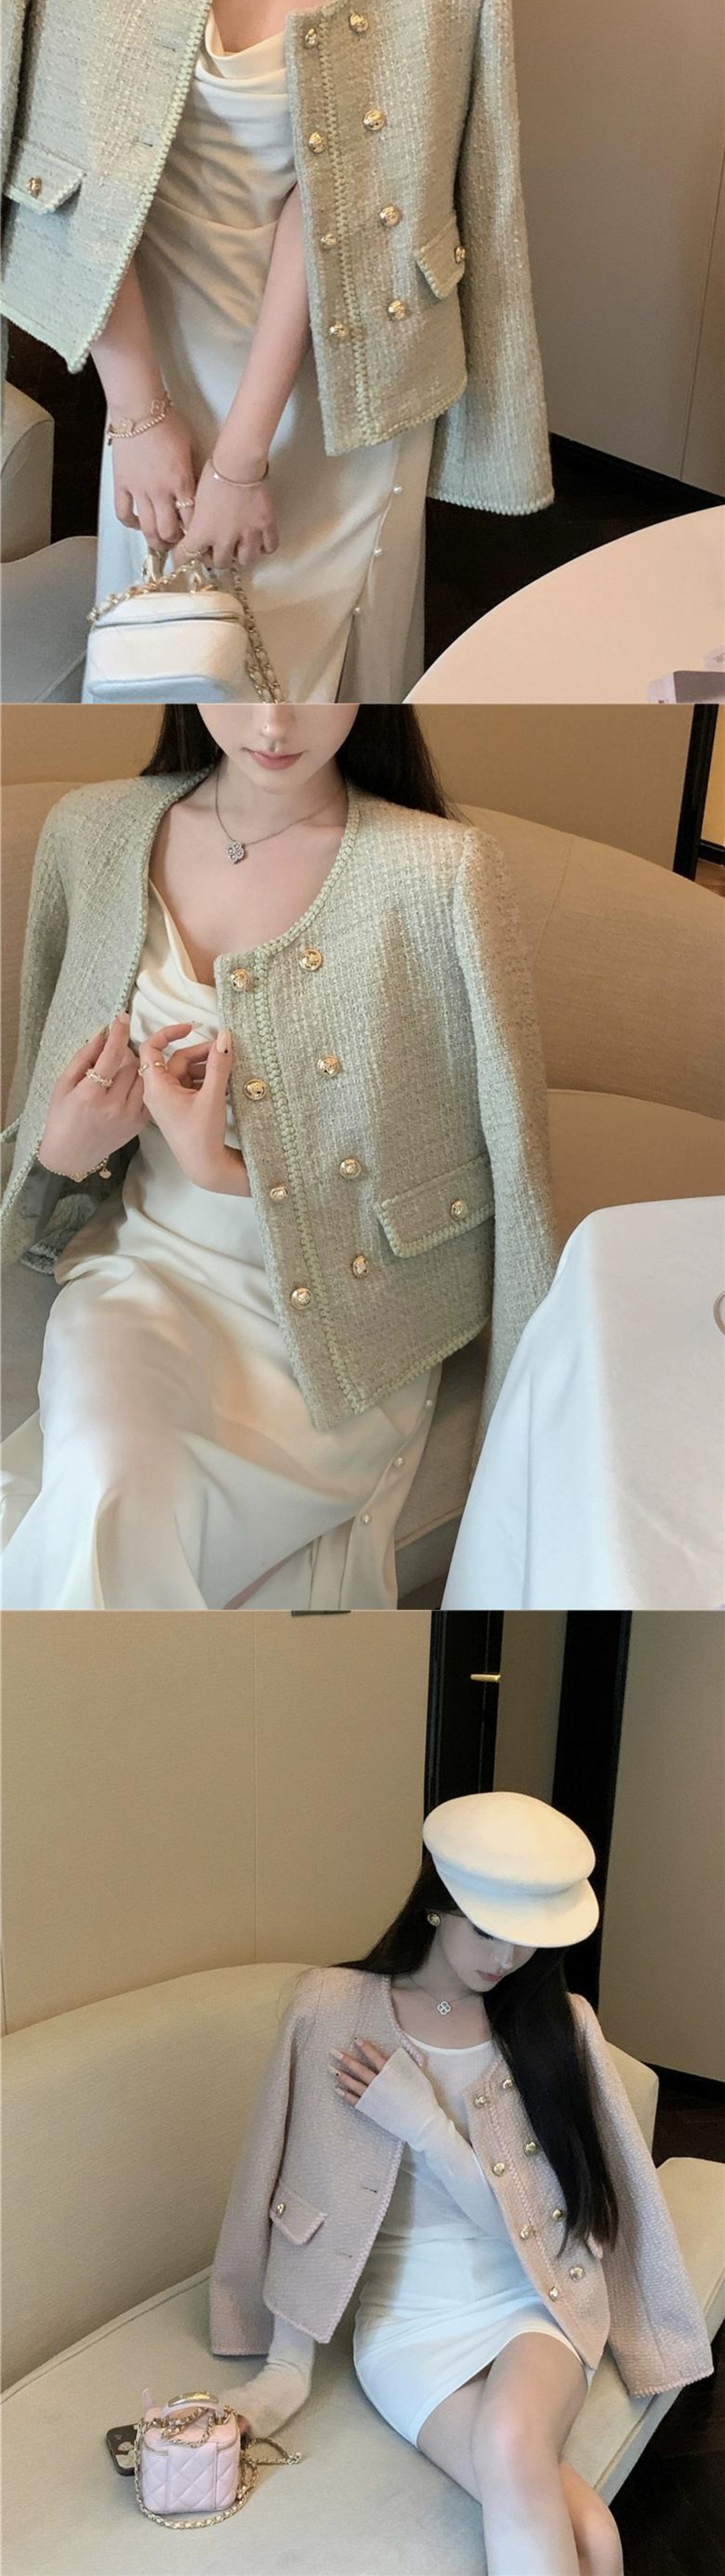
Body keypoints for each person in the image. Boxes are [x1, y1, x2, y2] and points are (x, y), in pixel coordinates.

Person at [1, 701, 557, 1611]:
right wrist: (64, 1150)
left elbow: (506, 1160)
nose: (273, 721)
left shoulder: (441, 870)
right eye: (242, 685)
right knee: (111, 1481)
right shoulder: (90, 833)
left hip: (353, 1320)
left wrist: (529, 1436)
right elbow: (40, 1117)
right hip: (144, 1275)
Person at [2, 0, 553, 702]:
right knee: (166, 657)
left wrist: (242, 459)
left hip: (346, 397)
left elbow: (345, 201)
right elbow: (77, 167)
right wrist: (138, 415)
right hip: (154, 365)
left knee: (314, 690)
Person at [210, 1789, 713, 2576]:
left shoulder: (559, 2027)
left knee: (513, 2440)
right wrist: (283, 2371)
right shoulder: (328, 2009)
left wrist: (422, 2121)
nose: (505, 1960)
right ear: (437, 1904)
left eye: (526, 1940)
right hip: (405, 2331)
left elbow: (529, 2220)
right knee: (593, 2536)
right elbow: (287, 2190)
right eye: (487, 1930)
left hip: (532, 2300)